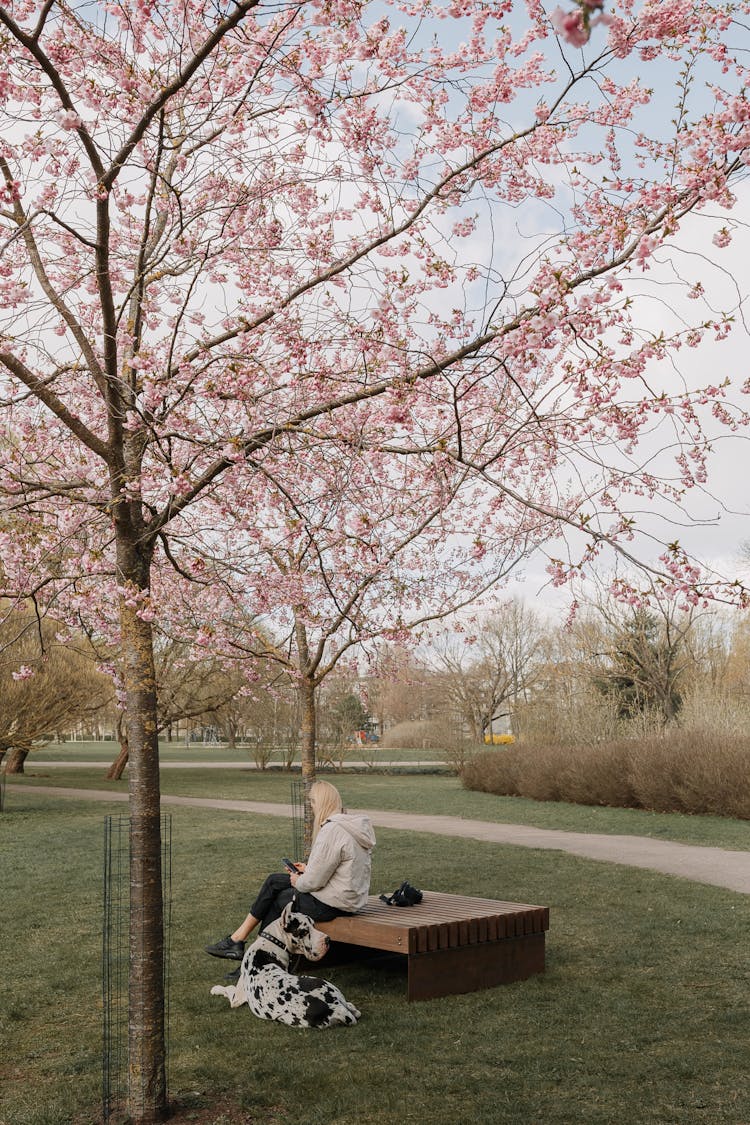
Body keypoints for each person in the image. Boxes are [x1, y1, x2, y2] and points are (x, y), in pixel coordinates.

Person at [205, 780, 376, 961]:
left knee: (279, 898)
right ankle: (244, 946)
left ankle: (251, 954)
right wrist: (307, 869)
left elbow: (312, 883)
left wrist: (298, 881)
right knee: (274, 882)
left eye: (313, 802)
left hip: (333, 904)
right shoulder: (351, 827)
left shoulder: (332, 830)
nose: (312, 806)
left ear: (321, 803)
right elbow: (340, 870)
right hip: (349, 900)